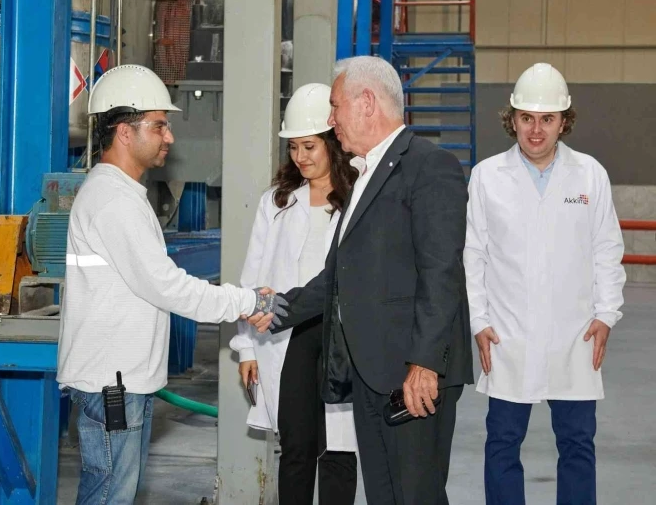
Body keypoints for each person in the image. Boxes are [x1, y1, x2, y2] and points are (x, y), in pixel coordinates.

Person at [248, 55, 473, 505]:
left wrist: (424, 364)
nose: (331, 120)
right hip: (372, 375)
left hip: (412, 375)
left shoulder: (430, 167)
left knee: (417, 496)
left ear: (367, 103)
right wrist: (273, 309)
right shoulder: (364, 174)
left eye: (335, 106)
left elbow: (441, 275)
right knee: (384, 496)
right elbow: (337, 277)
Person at [57, 64, 279, 505]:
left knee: (114, 492)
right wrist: (247, 301)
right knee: (109, 495)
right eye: (159, 126)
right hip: (112, 384)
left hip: (119, 381)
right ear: (124, 132)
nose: (170, 137)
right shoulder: (113, 201)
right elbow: (167, 287)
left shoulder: (122, 195)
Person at [464, 62, 627, 505]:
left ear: (563, 121)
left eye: (547, 119)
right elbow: (473, 255)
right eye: (527, 118)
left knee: (577, 443)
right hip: (507, 335)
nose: (536, 130)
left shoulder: (589, 174)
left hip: (575, 336)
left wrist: (606, 314)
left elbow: (606, 249)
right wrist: (479, 320)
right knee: (502, 442)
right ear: (513, 119)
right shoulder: (487, 176)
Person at [231, 83, 360, 505]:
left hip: (341, 338)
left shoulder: (358, 197)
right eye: (293, 147)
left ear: (332, 143)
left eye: (309, 146)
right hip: (288, 338)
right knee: (297, 450)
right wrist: (246, 349)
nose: (300, 157)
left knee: (340, 450)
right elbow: (253, 278)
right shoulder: (277, 202)